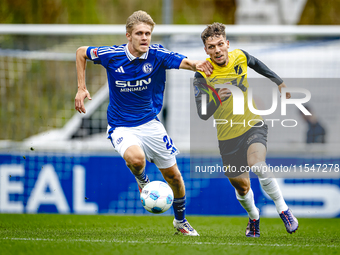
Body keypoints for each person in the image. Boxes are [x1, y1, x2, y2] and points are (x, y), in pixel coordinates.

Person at [75, 10, 212, 236]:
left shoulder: (157, 54)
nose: (145, 38)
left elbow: (185, 61)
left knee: (174, 177)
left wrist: (198, 65)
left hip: (150, 125)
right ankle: (143, 180)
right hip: (120, 125)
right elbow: (81, 52)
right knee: (136, 159)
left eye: (148, 33)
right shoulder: (112, 55)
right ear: (128, 35)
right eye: (139, 33)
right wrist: (81, 87)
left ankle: (180, 222)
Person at [193, 23, 298, 237]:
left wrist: (279, 83)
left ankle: (283, 210)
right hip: (227, 137)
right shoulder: (201, 75)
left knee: (258, 164)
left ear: (227, 44)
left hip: (253, 125)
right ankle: (254, 217)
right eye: (211, 47)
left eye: (220, 44)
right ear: (206, 50)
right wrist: (215, 100)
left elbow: (257, 64)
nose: (217, 50)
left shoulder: (239, 56)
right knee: (242, 187)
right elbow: (202, 113)